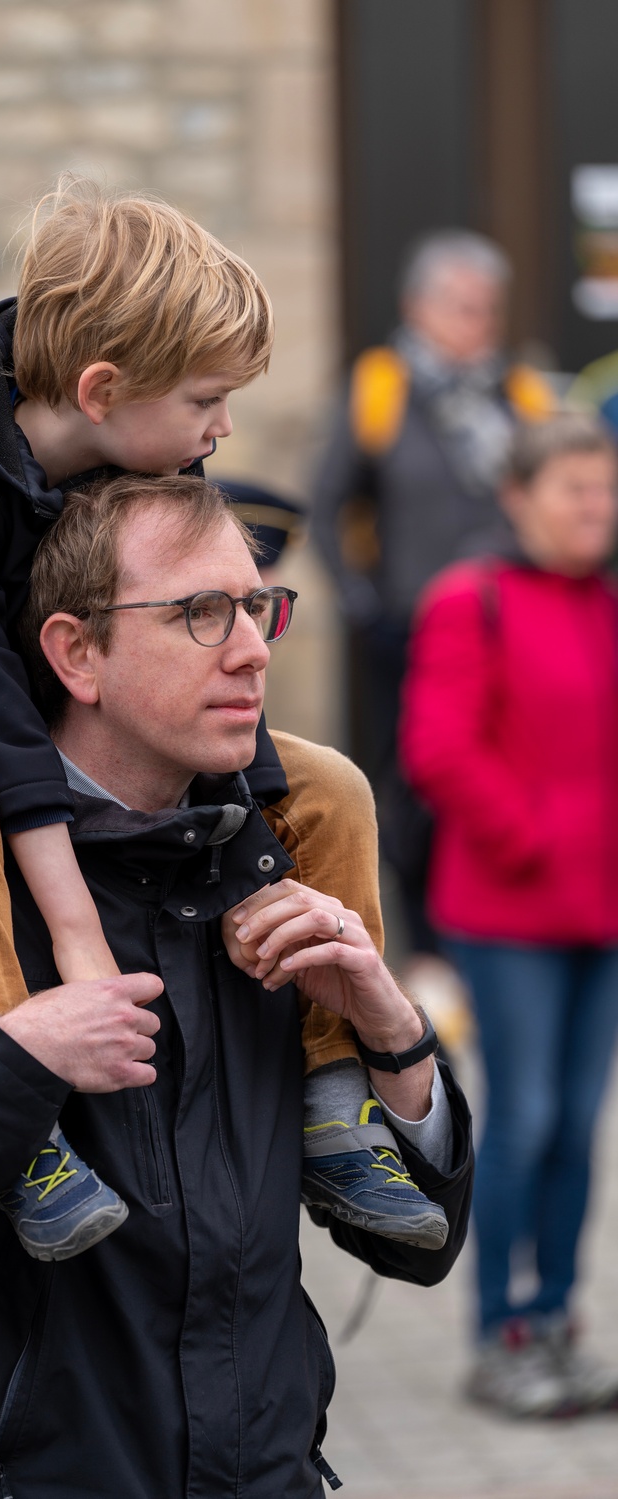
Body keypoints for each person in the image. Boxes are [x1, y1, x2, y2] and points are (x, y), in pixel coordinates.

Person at [0, 473, 474, 1498]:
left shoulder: (272, 862)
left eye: (258, 606)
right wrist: (5, 1067)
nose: (255, 649)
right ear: (75, 651)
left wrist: (395, 1037)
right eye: (201, 614)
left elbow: (418, 1252)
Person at [0, 180, 446, 1258]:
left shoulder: (147, 452)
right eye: (205, 400)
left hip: (39, 717)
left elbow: (215, 650)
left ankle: (337, 1104)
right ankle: (18, 1099)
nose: (222, 428)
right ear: (100, 388)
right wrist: (77, 936)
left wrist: (255, 857)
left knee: (327, 780)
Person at [400, 413, 618, 1417]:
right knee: (523, 1119)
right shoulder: (469, 599)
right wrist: (534, 837)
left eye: (605, 488)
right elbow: (437, 749)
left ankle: (557, 1318)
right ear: (519, 497)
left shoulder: (604, 603)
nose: (596, 507)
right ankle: (498, 1334)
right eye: (575, 488)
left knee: (578, 1126)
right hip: (509, 909)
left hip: (600, 911)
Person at [310, 230, 554, 968]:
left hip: (511, 635)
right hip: (410, 632)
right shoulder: (380, 390)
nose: (476, 322)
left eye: (487, 308)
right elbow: (327, 508)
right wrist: (365, 606)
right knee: (412, 790)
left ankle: (497, 931)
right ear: (417, 307)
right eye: (460, 306)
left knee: (502, 781)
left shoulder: (522, 394)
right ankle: (424, 948)